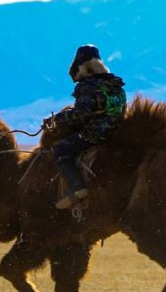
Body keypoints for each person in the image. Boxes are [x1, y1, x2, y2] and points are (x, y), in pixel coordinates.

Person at [44, 45, 126, 210]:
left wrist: (56, 120)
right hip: (116, 132)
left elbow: (81, 114)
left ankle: (77, 187)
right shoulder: (115, 84)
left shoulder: (88, 86)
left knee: (61, 150)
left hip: (95, 134)